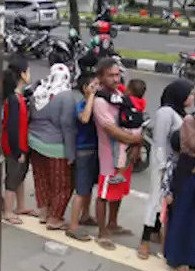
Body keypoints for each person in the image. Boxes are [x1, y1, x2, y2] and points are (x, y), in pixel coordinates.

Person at [91, 59, 143, 250]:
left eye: (117, 74)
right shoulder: (100, 101)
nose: (115, 78)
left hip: (125, 155)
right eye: (110, 75)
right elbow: (110, 129)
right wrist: (134, 140)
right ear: (101, 77)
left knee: (119, 191)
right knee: (104, 194)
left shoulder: (120, 95)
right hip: (109, 157)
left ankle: (113, 223)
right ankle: (102, 231)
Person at [140, 80, 193, 259]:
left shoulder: (179, 113)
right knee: (156, 199)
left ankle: (156, 232)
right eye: (189, 94)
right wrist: (162, 167)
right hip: (162, 164)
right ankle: (144, 242)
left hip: (175, 164)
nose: (192, 97)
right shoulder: (165, 113)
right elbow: (160, 142)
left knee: (166, 202)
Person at [164, 86, 195, 271]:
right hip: (188, 173)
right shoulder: (190, 120)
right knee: (183, 214)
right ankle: (178, 258)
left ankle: (194, 257)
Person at [29, 64, 79, 231]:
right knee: (62, 185)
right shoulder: (66, 96)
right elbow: (67, 126)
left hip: (34, 141)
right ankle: (55, 218)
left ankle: (44, 212)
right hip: (55, 146)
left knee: (41, 179)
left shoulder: (39, 90)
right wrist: (71, 154)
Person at [66, 72, 101, 241]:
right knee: (81, 190)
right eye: (93, 85)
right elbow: (85, 119)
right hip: (83, 151)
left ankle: (85, 215)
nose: (97, 87)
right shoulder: (82, 105)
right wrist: (91, 97)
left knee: (88, 187)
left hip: (94, 150)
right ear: (85, 89)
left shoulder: (96, 103)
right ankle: (73, 225)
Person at [1, 61, 33, 224]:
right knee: (12, 177)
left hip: (21, 144)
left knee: (20, 175)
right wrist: (17, 150)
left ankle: (20, 206)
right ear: (22, 74)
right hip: (14, 145)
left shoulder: (19, 97)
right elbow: (12, 127)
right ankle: (8, 211)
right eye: (28, 71)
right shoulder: (13, 99)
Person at [116, 78, 147, 176]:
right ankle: (136, 158)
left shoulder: (127, 100)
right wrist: (119, 86)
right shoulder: (141, 101)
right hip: (138, 128)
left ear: (129, 91)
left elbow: (115, 99)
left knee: (122, 150)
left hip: (128, 129)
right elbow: (124, 89)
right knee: (135, 145)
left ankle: (120, 172)